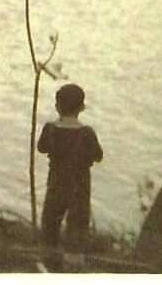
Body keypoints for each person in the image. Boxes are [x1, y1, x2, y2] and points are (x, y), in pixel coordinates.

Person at [37, 83, 104, 271]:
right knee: (78, 222)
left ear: (57, 106)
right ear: (82, 108)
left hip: (56, 184)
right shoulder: (87, 133)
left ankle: (48, 261)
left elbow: (41, 148)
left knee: (51, 220)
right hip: (79, 187)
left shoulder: (50, 129)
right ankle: (73, 264)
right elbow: (98, 156)